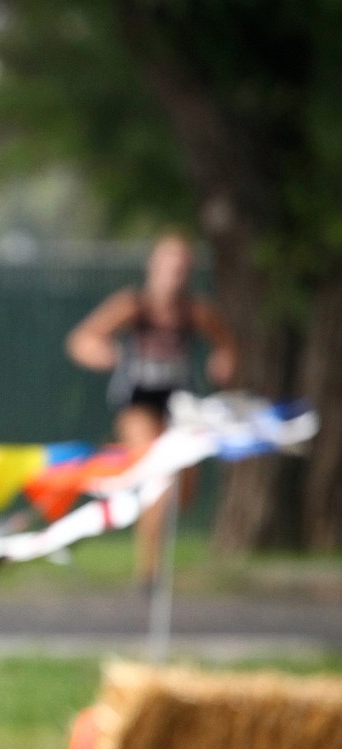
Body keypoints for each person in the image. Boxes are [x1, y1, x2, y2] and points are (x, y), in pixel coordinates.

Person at [65, 233, 238, 587]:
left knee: (183, 492)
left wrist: (224, 360)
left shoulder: (196, 312)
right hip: (138, 404)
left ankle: (145, 505)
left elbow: (226, 344)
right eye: (169, 265)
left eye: (182, 267)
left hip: (181, 405)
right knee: (158, 475)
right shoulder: (133, 306)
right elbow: (82, 340)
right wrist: (106, 354)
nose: (175, 274)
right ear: (154, 267)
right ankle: (149, 572)